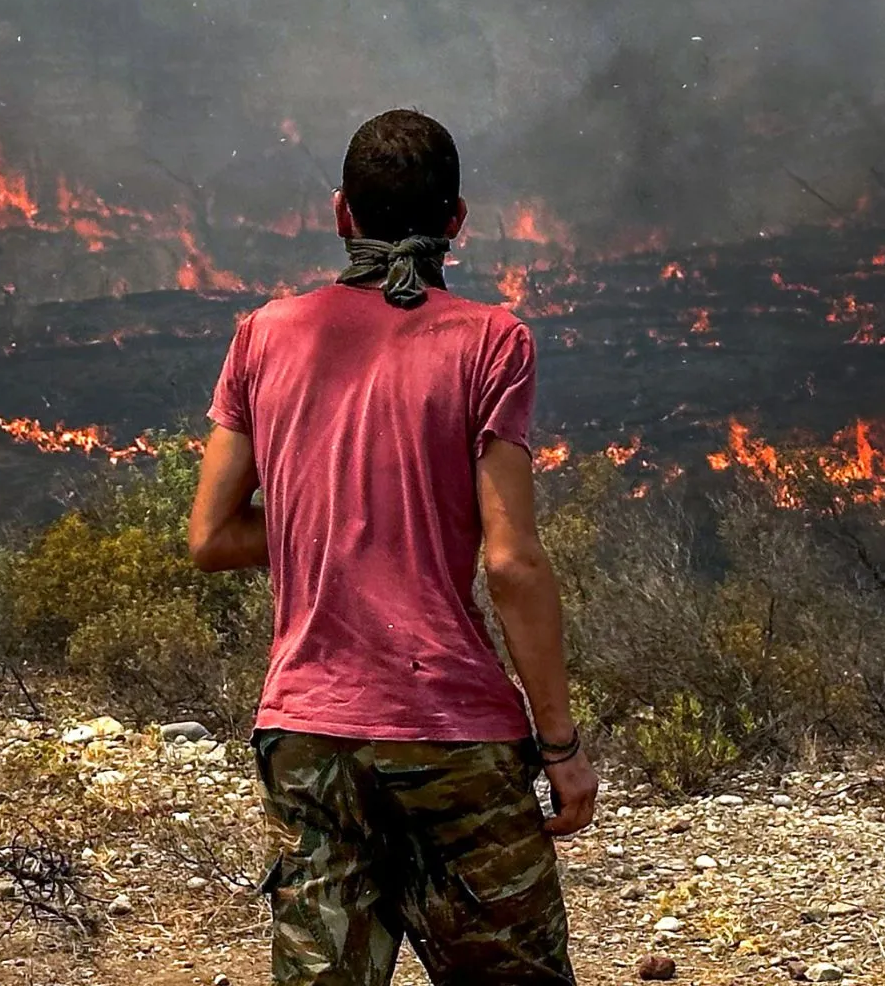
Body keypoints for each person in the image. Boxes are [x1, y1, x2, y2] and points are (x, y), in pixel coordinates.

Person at [188, 109, 597, 985]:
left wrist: (333, 521)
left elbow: (212, 535)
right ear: (456, 221)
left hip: (307, 732)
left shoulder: (263, 336)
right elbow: (512, 561)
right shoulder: (492, 341)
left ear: (342, 214)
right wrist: (559, 745)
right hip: (449, 732)